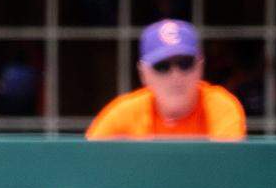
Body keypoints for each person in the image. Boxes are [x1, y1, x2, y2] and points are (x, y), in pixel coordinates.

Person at [86, 19, 246, 141]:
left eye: (185, 63)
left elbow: (227, 169)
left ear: (200, 67)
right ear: (143, 73)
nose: (175, 75)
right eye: (161, 66)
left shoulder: (221, 105)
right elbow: (87, 165)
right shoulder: (125, 112)